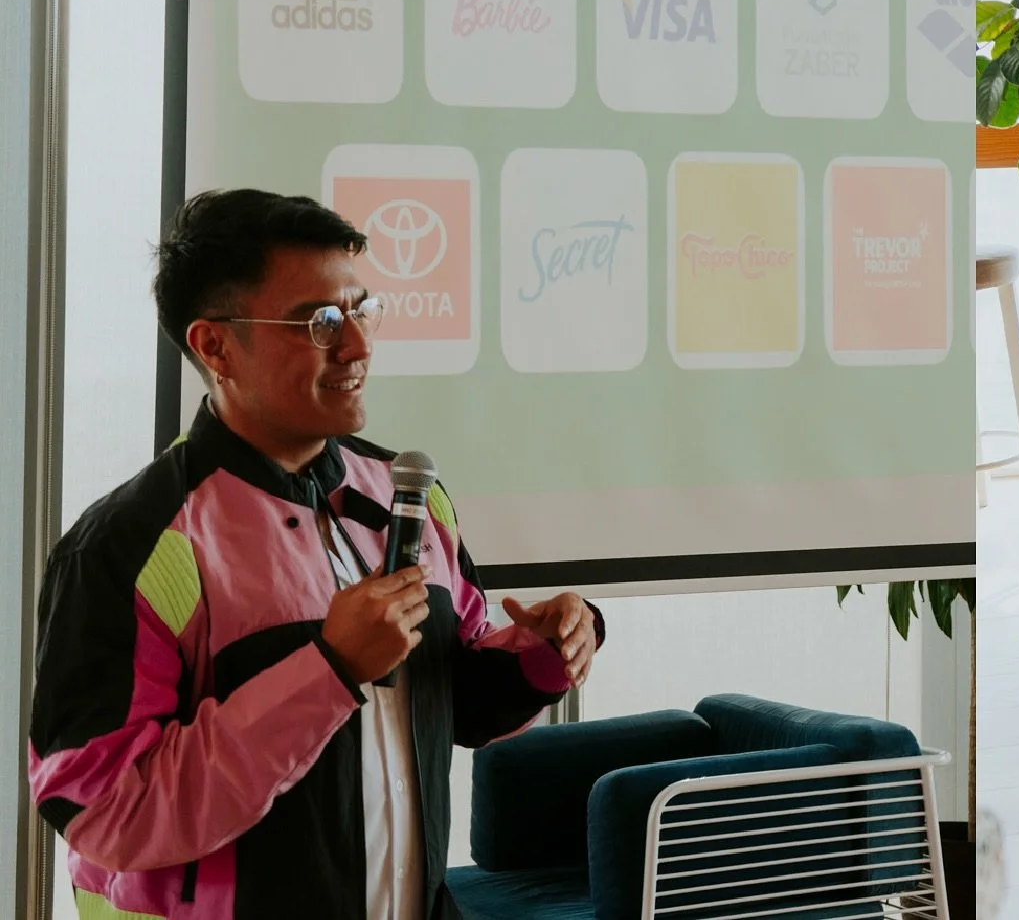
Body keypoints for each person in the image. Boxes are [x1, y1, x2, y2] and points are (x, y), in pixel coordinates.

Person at [29, 189, 603, 920]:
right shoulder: (130, 543)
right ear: (214, 346)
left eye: (362, 310)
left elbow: (449, 702)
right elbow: (102, 807)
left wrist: (542, 651)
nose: (359, 346)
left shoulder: (410, 496)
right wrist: (328, 670)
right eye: (321, 322)